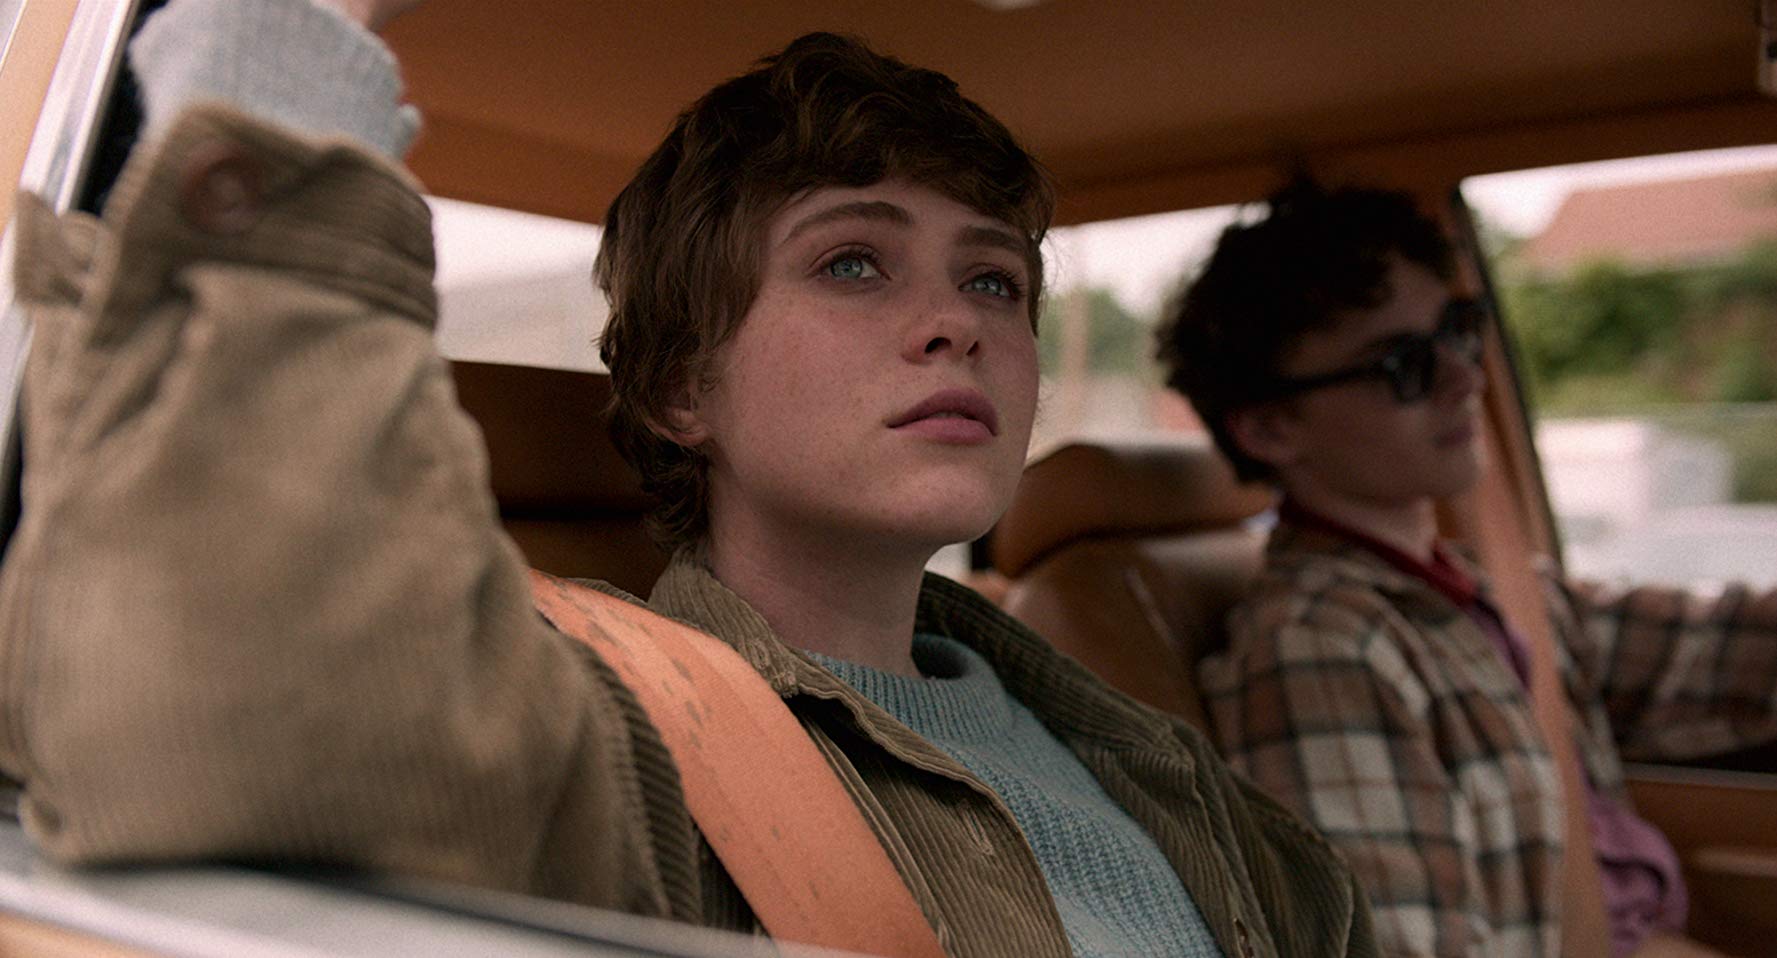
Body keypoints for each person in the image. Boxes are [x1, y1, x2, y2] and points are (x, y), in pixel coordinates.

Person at [0, 1, 1377, 955]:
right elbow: (233, 718)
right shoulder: (613, 741)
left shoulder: (1144, 757)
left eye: (993, 280)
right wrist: (284, 43)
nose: (956, 321)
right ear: (679, 389)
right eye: (853, 260)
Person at [1156, 178, 1777, 957]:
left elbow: (1717, 651)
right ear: (1271, 428)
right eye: (1402, 363)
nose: (1464, 376)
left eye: (1458, 330)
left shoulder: (1487, 589)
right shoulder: (1319, 648)